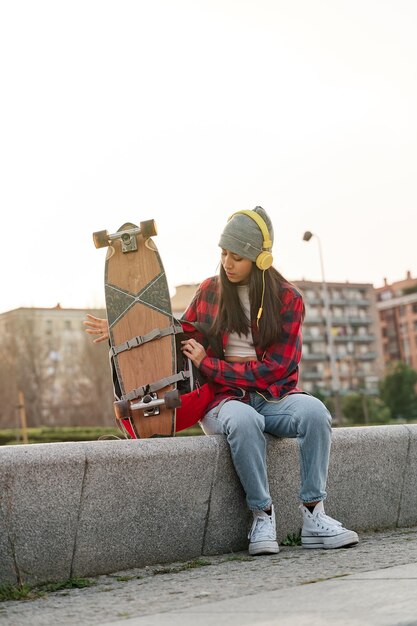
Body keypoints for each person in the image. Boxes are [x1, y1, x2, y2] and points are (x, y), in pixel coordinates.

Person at [85, 206, 359, 556]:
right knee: (244, 421)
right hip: (223, 401)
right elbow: (179, 334)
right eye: (224, 253)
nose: (227, 263)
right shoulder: (211, 291)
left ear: (260, 260)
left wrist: (212, 365)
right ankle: (262, 515)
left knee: (316, 413)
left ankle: (314, 516)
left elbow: (276, 369)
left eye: (238, 256)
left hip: (274, 397)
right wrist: (125, 330)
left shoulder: (288, 299)